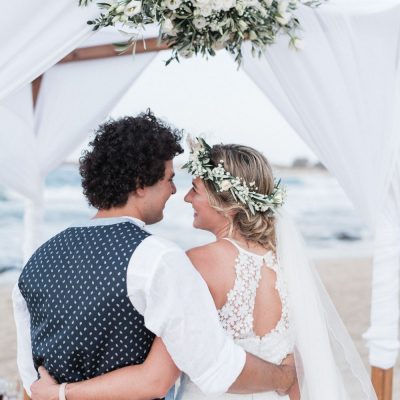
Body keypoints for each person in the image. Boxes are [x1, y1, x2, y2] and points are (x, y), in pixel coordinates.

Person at [31, 134, 378, 400]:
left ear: (225, 202)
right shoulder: (286, 265)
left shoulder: (197, 264)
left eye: (195, 189)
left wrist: (61, 393)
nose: (185, 198)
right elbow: (299, 371)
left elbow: (157, 377)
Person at [13, 111, 296, 400]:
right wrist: (286, 377)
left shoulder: (36, 262)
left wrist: (58, 393)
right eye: (170, 179)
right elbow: (207, 366)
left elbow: (31, 375)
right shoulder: (158, 259)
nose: (176, 192)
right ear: (139, 184)